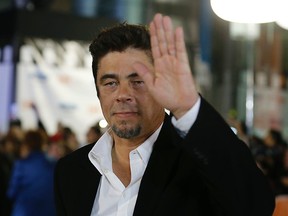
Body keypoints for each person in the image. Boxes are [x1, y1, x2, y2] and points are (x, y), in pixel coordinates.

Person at [54, 14, 275, 216]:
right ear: (98, 91)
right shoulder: (71, 172)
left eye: (138, 81)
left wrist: (188, 108)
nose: (123, 95)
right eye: (111, 83)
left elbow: (255, 206)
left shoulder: (195, 162)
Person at [7, 129, 56, 216]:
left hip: (24, 212)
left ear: (27, 144)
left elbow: (11, 193)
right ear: (42, 143)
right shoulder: (53, 165)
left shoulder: (21, 166)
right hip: (48, 211)